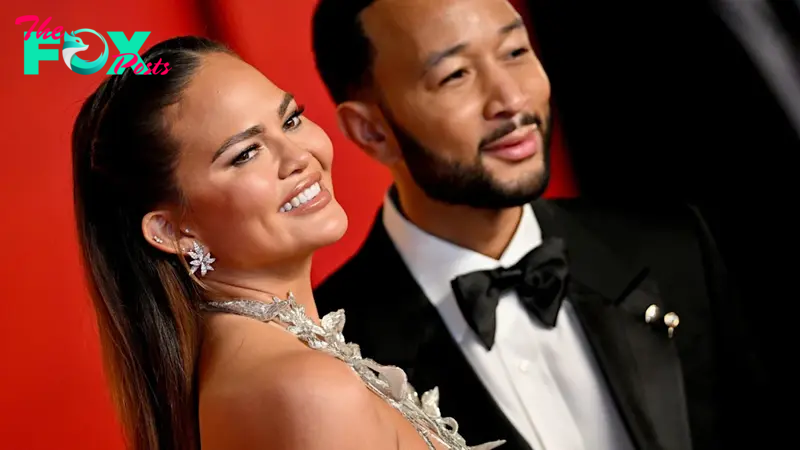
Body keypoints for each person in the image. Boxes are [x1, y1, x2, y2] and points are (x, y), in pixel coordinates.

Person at [310, 0, 765, 449]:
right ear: (371, 131)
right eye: (455, 76)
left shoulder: (672, 248)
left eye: (515, 52)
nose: (511, 99)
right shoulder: (334, 354)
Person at [71, 35, 503, 450]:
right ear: (172, 231)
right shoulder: (305, 389)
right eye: (245, 153)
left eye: (291, 119)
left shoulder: (264, 369)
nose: (299, 157)